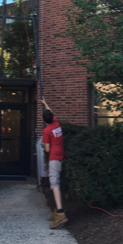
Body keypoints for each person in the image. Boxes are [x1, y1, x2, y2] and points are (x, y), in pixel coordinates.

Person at [41, 97, 68, 229]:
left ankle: (61, 214)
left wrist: (45, 143)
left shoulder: (46, 131)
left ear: (44, 121)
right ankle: (56, 211)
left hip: (54, 159)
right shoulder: (56, 123)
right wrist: (46, 103)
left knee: (55, 184)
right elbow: (50, 112)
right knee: (55, 184)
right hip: (61, 157)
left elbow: (47, 149)